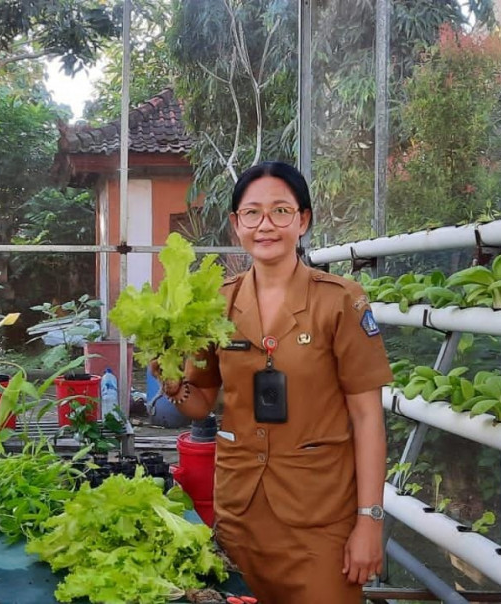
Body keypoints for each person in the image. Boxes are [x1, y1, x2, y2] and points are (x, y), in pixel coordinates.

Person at [161, 161, 392, 602]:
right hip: (241, 512)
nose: (266, 225)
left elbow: (367, 419)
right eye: (252, 213)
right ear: (236, 224)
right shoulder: (217, 303)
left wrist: (369, 521)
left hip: (320, 517)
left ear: (302, 220)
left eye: (281, 212)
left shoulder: (340, 301)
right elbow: (200, 403)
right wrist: (175, 386)